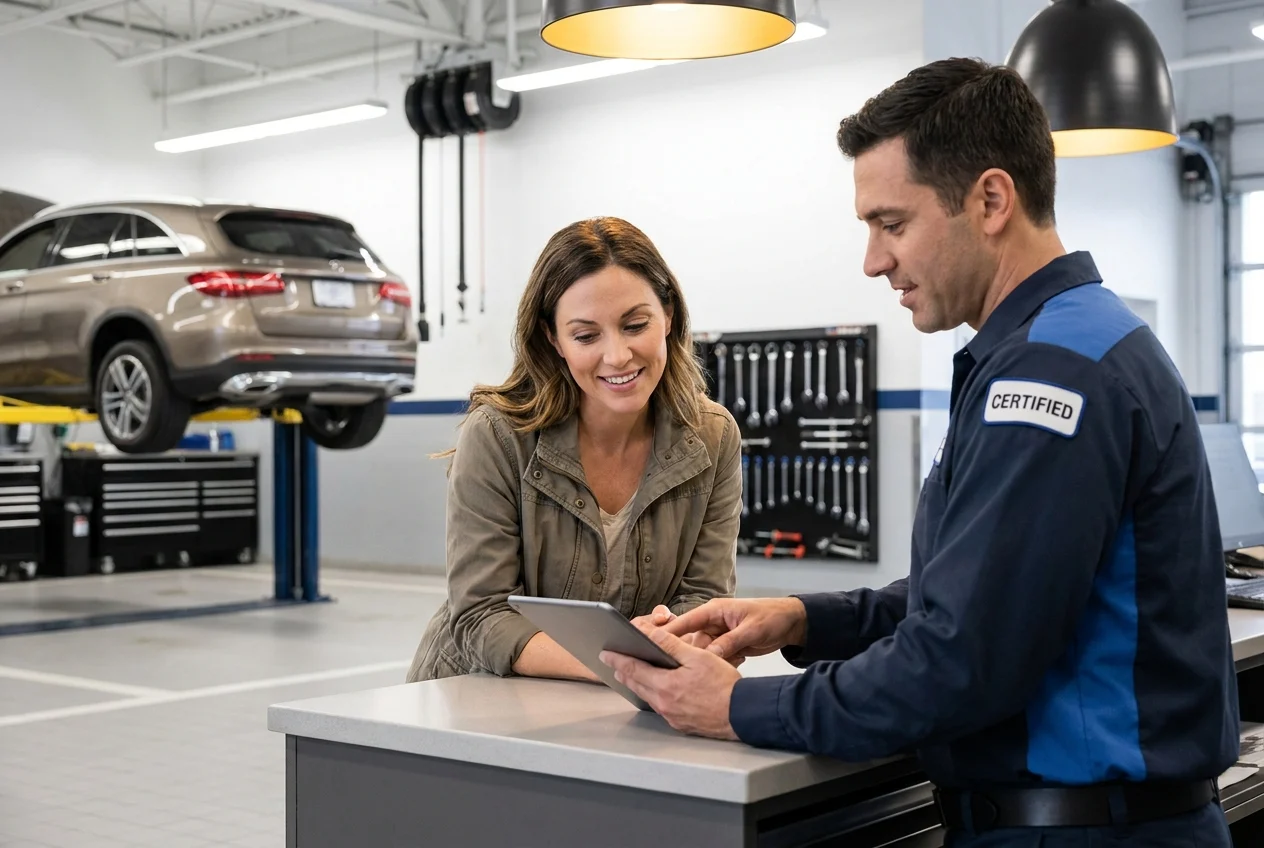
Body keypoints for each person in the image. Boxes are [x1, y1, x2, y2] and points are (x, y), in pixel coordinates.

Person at [600, 58, 1240, 846]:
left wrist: (736, 704)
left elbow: (962, 659)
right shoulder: (1074, 342)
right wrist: (803, 620)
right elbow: (979, 595)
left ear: (991, 200)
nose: (873, 260)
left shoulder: (1050, 376)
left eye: (892, 224)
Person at [407, 216, 741, 684]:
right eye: (586, 336)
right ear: (554, 338)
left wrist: (679, 646)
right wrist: (625, 662)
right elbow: (482, 616)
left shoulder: (713, 436)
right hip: (475, 692)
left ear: (668, 315)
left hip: (624, 698)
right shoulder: (497, 435)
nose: (617, 355)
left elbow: (704, 599)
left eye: (635, 324)